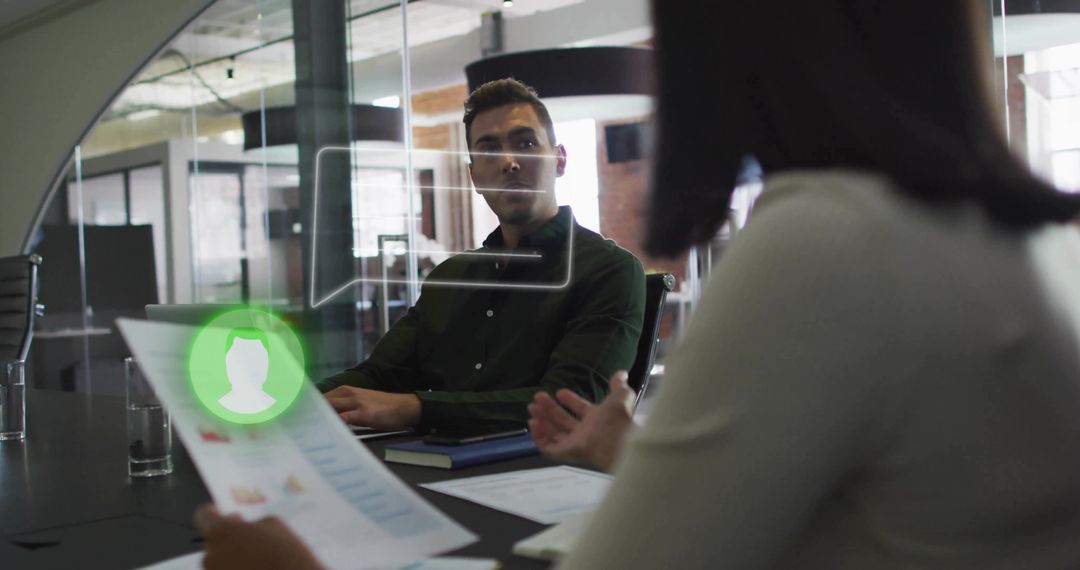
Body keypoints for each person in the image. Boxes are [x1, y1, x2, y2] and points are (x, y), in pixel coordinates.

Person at [195, 1, 1080, 568]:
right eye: (487, 148)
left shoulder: (827, 241)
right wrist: (637, 455)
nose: (506, 160)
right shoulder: (1028, 239)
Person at [318, 78, 645, 434]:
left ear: (560, 159)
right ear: (474, 176)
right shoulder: (450, 278)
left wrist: (416, 408)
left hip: (541, 474)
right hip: (429, 466)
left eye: (526, 143)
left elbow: (570, 404)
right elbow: (377, 376)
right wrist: (287, 402)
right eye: (489, 151)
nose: (508, 162)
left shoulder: (608, 271)